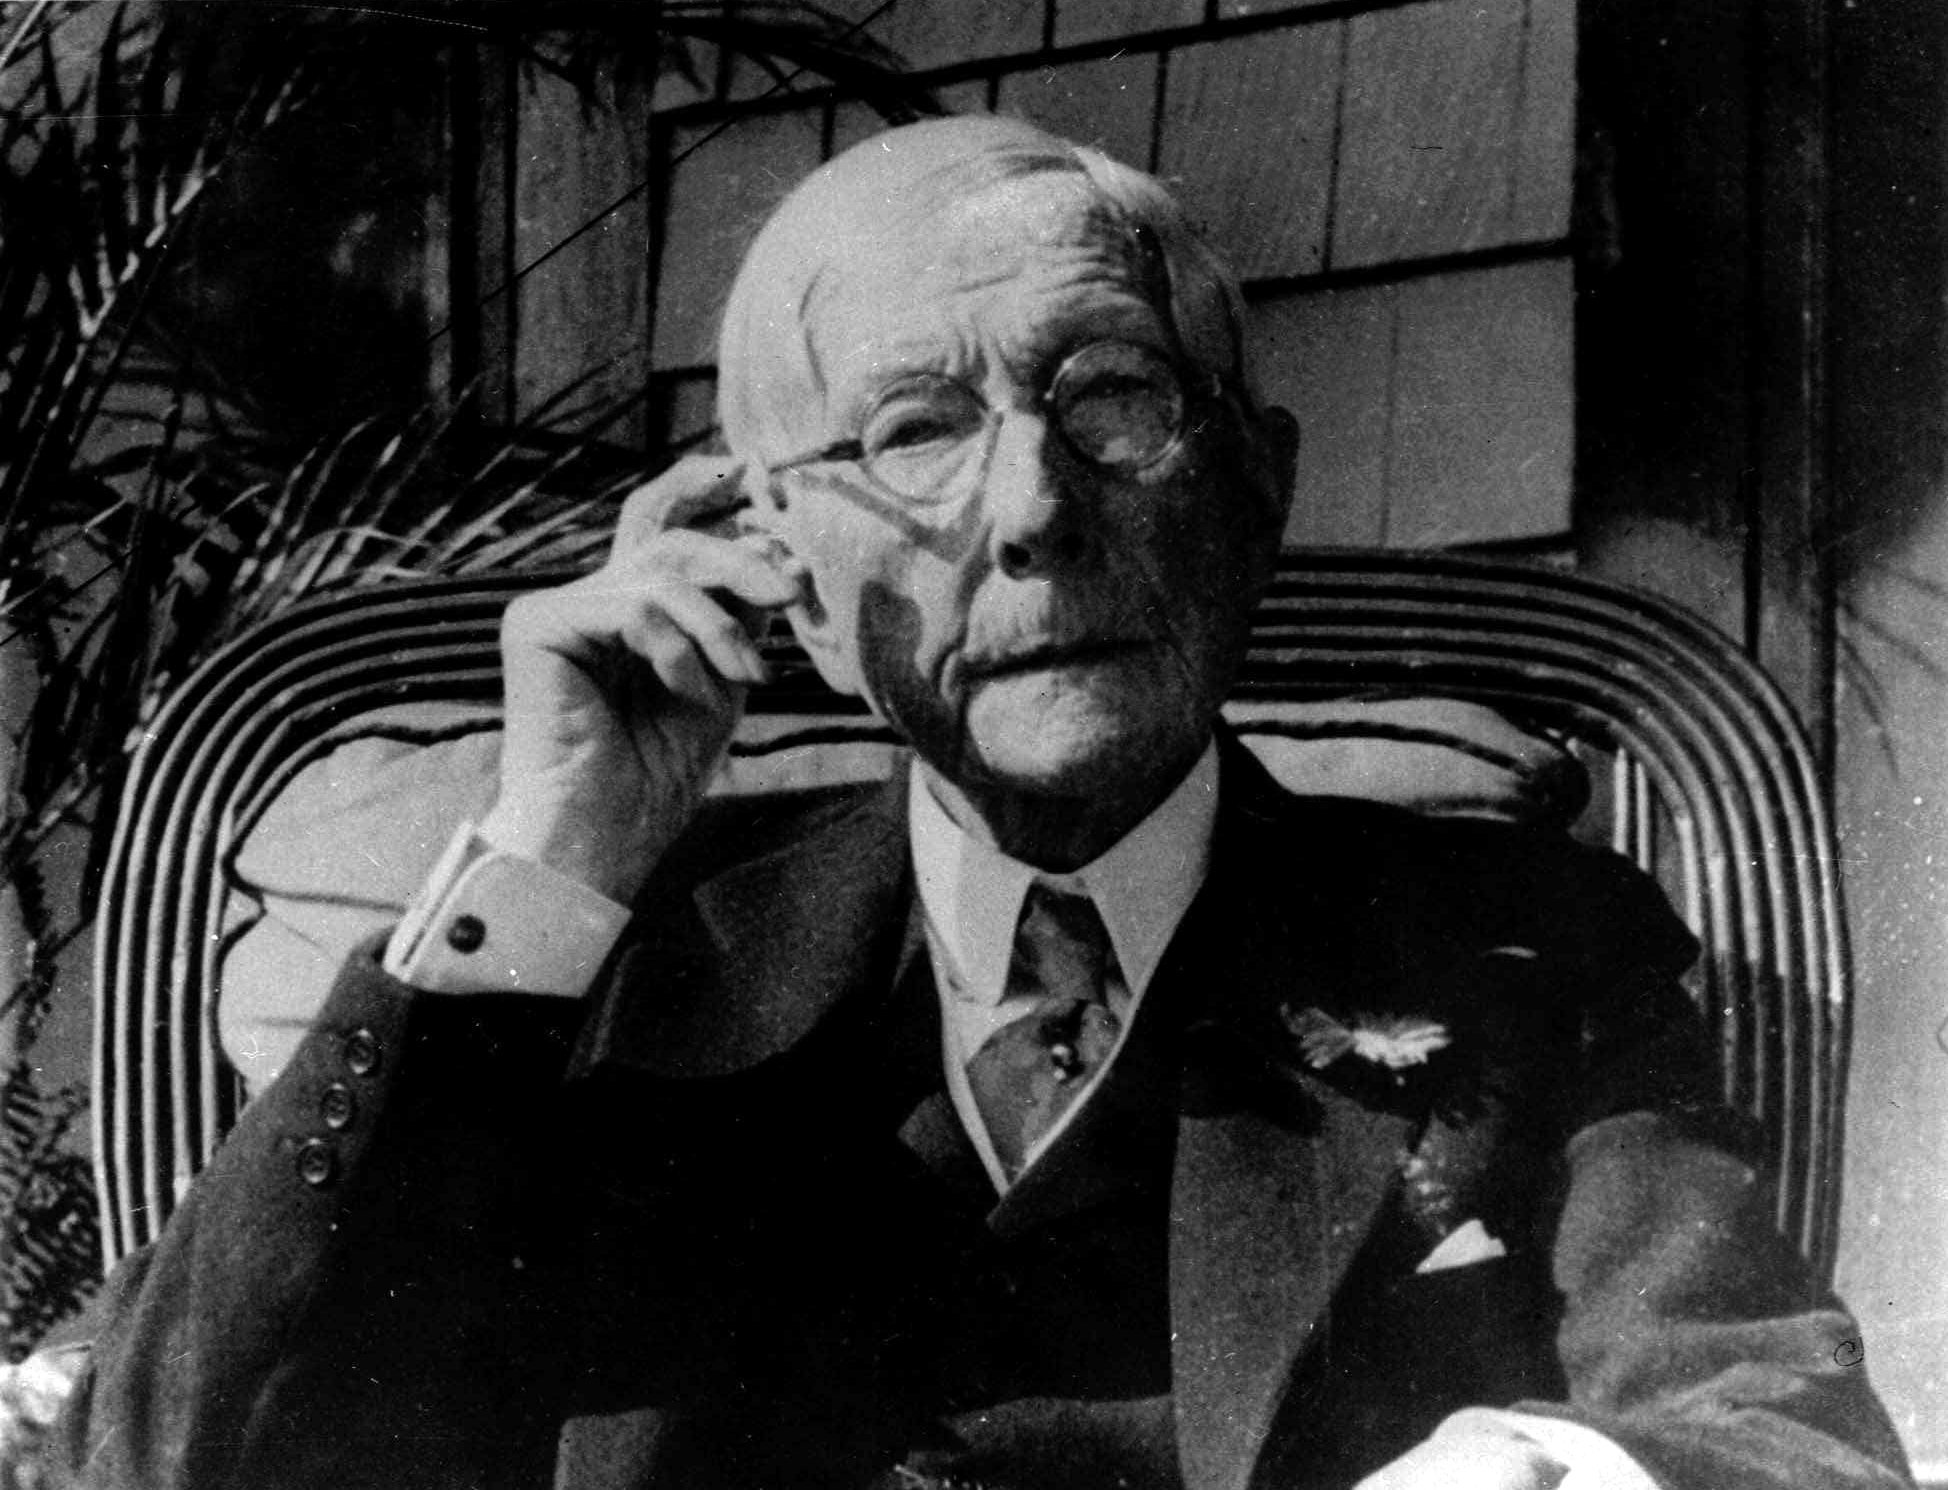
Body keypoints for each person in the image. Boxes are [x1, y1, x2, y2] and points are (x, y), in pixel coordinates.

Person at [49, 115, 1910, 1490]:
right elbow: (165, 1456)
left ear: (1254, 492)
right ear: (785, 559)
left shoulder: (1528, 947)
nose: (1031, 510)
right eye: (916, 431)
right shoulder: (590, 956)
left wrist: (1532, 1473)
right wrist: (545, 858)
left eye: (1113, 400)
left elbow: (1776, 1425)